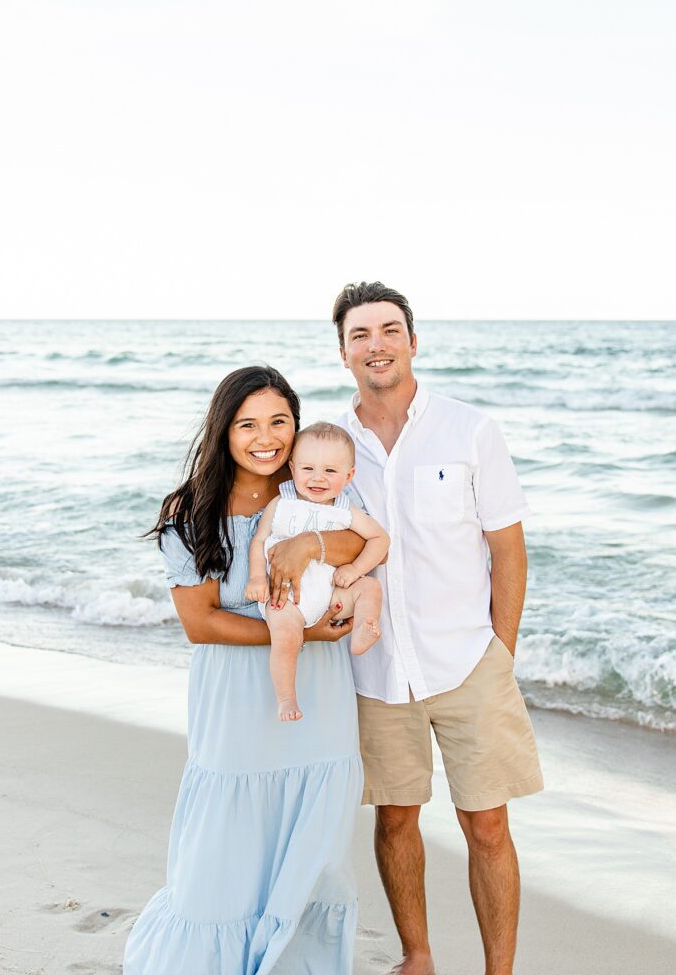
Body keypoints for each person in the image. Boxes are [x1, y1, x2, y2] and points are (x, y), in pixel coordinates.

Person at [123, 366, 365, 975]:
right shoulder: (192, 508)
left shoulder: (317, 484)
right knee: (226, 842)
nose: (266, 437)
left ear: (297, 424)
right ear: (223, 430)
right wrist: (299, 631)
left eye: (279, 421)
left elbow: (362, 545)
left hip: (322, 696)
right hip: (235, 695)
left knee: (315, 842)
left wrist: (308, 546)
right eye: (247, 423)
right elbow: (200, 622)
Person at [333, 282, 544, 975]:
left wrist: (500, 651)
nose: (376, 345)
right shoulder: (331, 447)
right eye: (360, 334)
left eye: (388, 330)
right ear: (343, 352)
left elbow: (507, 549)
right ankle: (416, 957)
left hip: (467, 662)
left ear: (412, 341)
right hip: (375, 668)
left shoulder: (469, 429)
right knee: (394, 819)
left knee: (486, 824)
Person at [246, 421, 390, 721]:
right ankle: (286, 698)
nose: (318, 479)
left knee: (370, 588)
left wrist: (355, 568)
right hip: (283, 595)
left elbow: (381, 540)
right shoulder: (281, 503)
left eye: (330, 471)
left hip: (329, 592)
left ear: (349, 476)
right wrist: (258, 577)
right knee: (285, 638)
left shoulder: (345, 510)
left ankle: (364, 627)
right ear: (293, 468)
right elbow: (259, 540)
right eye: (308, 469)